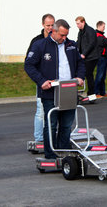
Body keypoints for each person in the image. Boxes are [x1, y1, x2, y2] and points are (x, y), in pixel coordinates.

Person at [24, 19, 85, 159]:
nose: (64, 38)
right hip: (50, 92)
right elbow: (29, 65)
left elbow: (81, 63)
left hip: (69, 90)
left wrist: (80, 76)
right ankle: (51, 154)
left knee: (66, 124)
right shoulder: (40, 45)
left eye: (66, 35)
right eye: (62, 35)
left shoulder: (71, 45)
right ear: (53, 31)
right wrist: (41, 81)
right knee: (51, 124)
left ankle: (64, 153)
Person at [26, 14, 55, 143]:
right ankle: (39, 139)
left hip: (55, 82)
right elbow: (29, 62)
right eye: (48, 25)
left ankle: (51, 138)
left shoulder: (57, 39)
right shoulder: (36, 41)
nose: (50, 28)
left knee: (54, 112)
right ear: (43, 25)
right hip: (42, 81)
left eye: (52, 25)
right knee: (41, 112)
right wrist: (40, 79)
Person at [76, 16, 99, 97]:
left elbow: (91, 43)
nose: (77, 25)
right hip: (85, 56)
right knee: (87, 74)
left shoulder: (90, 30)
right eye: (76, 24)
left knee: (89, 74)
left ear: (83, 22)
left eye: (78, 23)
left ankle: (91, 94)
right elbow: (78, 42)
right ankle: (90, 93)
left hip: (92, 57)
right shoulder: (80, 32)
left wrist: (84, 54)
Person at [94, 21, 107, 98]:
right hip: (101, 58)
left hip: (104, 58)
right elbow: (105, 42)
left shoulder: (101, 35)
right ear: (99, 26)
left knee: (103, 76)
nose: (104, 28)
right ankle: (96, 92)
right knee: (99, 75)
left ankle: (102, 92)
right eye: (103, 26)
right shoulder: (98, 35)